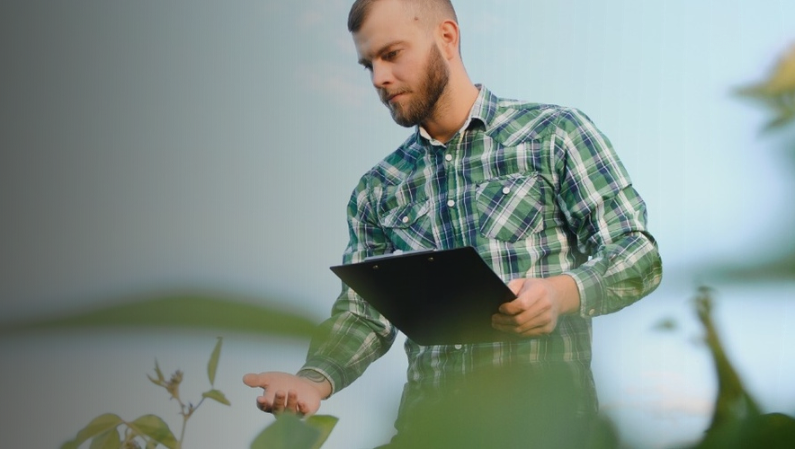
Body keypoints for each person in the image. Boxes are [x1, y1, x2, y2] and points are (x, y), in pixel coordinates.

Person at [242, 0, 661, 445]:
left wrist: (562, 293)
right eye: (368, 65)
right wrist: (314, 379)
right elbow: (364, 314)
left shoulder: (554, 134)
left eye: (392, 54)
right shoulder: (378, 188)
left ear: (446, 37)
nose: (379, 78)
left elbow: (638, 254)